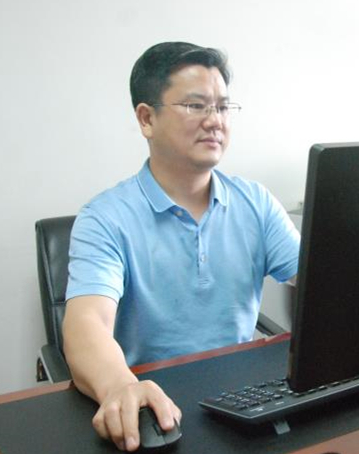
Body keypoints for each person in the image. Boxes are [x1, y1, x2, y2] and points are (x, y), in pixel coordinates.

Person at [62, 42, 300, 452]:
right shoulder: (105, 218)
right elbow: (87, 324)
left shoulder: (255, 202)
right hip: (154, 404)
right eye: (195, 106)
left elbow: (322, 283)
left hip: (243, 400)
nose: (215, 121)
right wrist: (120, 387)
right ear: (146, 118)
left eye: (223, 107)